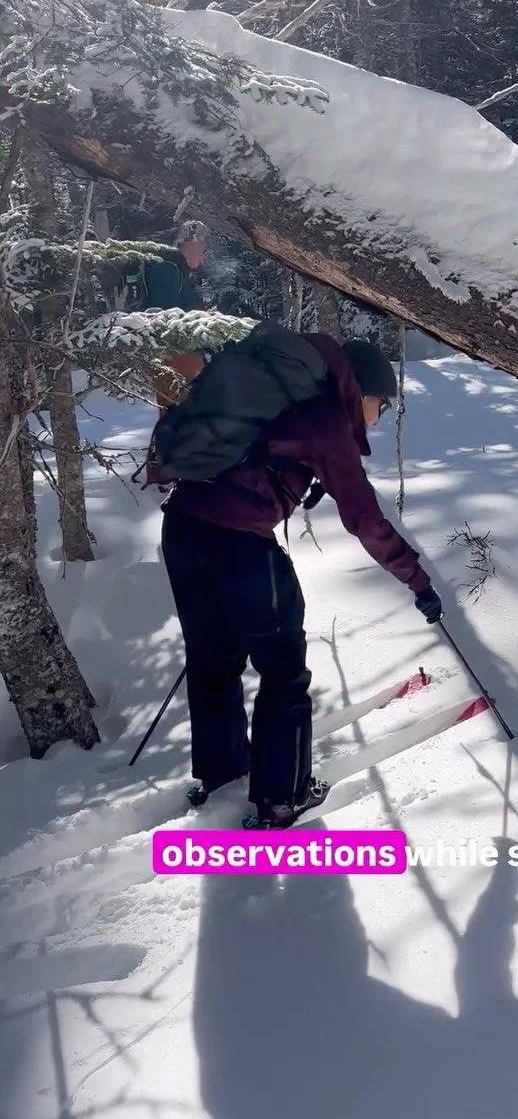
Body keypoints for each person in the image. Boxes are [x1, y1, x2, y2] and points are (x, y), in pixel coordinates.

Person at [160, 332, 443, 830]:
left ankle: (222, 772)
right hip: (240, 545)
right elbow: (365, 520)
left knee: (212, 661)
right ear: (362, 391)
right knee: (283, 670)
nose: (378, 418)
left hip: (182, 530)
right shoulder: (327, 420)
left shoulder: (284, 399)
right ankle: (282, 797)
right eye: (381, 405)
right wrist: (417, 581)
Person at [144, 220, 209, 485]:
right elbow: (166, 315)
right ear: (189, 244)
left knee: (177, 412)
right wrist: (198, 316)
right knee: (174, 413)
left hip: (179, 355)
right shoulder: (167, 269)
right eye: (202, 249)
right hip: (172, 356)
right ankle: (165, 473)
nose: (204, 256)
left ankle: (170, 470)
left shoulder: (176, 269)